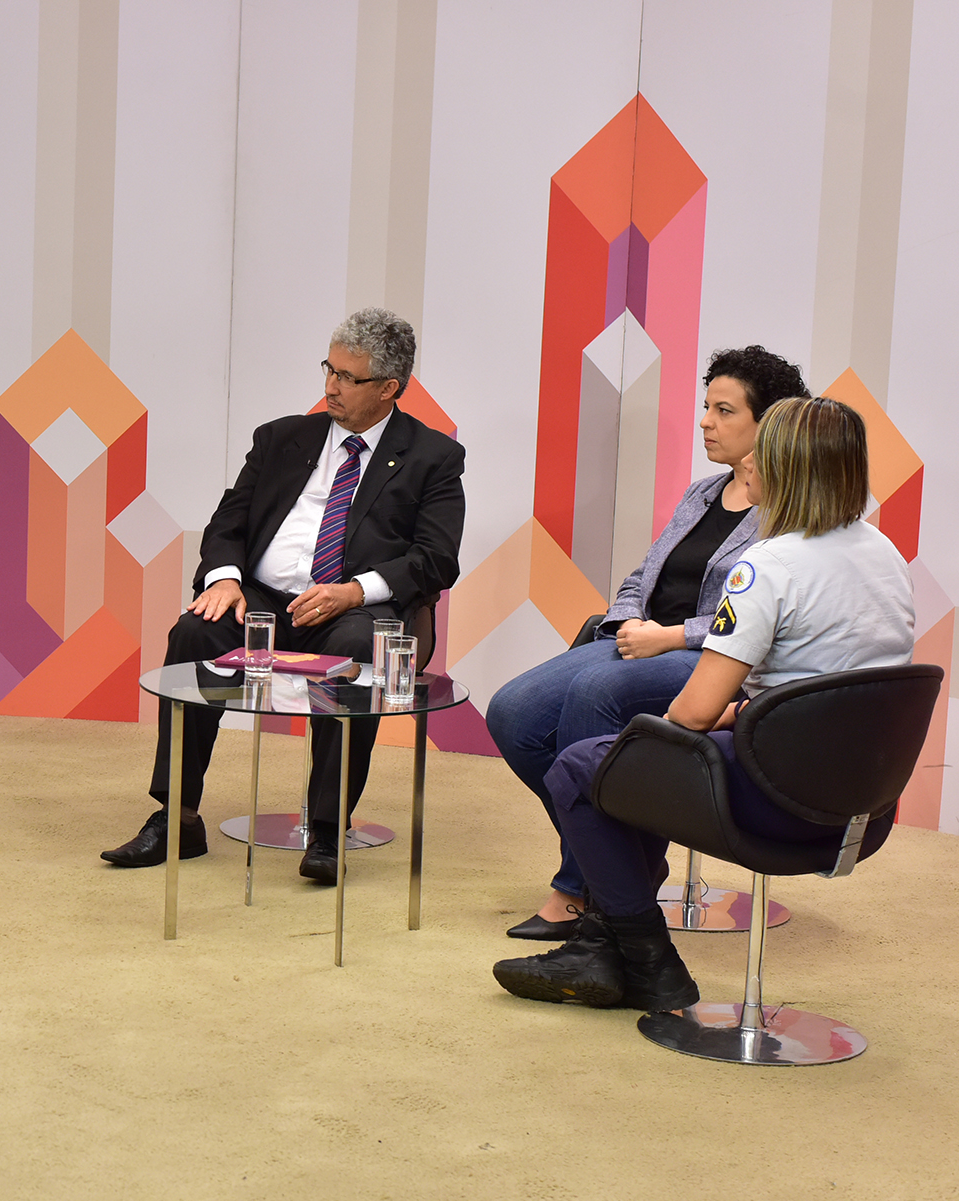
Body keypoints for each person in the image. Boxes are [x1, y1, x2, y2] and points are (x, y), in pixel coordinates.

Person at [491, 396, 915, 1011]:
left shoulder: (766, 566)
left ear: (787, 468)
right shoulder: (885, 555)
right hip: (862, 806)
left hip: (777, 800)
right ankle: (603, 949)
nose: (748, 465)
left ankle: (649, 962)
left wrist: (643, 746)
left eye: (761, 455)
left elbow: (691, 714)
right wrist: (738, 714)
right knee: (625, 763)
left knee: (585, 768)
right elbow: (829, 692)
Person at [100, 308, 466, 880]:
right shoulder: (281, 438)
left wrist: (354, 592)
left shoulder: (433, 457)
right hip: (263, 600)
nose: (331, 386)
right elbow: (229, 521)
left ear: (389, 388)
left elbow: (437, 558)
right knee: (195, 630)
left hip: (351, 609)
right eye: (329, 369)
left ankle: (327, 830)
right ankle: (178, 817)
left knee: (356, 652)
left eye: (348, 377)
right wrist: (224, 577)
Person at [486, 347, 809, 940]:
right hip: (642, 640)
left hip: (711, 655)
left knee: (595, 691)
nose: (705, 422)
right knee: (512, 711)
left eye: (724, 411)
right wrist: (628, 622)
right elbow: (643, 575)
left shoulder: (788, 510)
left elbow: (759, 619)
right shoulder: (701, 493)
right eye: (706, 407)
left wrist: (669, 636)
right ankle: (625, 860)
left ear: (769, 424)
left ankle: (583, 890)